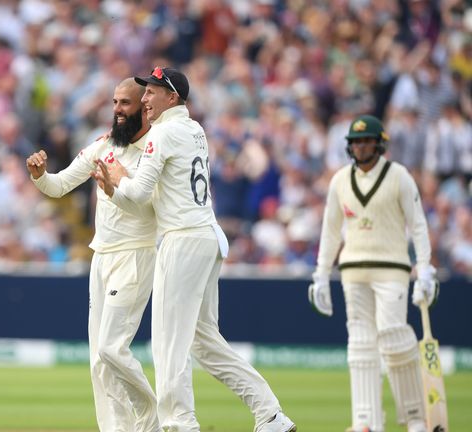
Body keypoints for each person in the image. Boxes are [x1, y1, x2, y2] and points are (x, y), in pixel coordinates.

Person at [93, 67, 295, 432]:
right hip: (207, 236)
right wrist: (120, 183)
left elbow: (138, 193)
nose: (145, 99)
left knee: (168, 341)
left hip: (182, 239)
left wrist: (118, 178)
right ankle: (270, 413)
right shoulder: (194, 129)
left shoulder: (162, 133)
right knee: (204, 341)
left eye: (152, 92)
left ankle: (179, 424)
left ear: (172, 97)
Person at [25, 78, 159, 432]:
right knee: (99, 359)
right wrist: (40, 176)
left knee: (111, 350)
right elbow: (60, 185)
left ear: (144, 106)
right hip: (101, 256)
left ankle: (153, 421)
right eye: (115, 102)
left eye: (125, 103)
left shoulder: (156, 149)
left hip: (135, 255)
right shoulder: (104, 145)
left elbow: (152, 208)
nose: (117, 110)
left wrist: (118, 186)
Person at [308, 114, 437, 432]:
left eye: (366, 141)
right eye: (356, 142)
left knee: (394, 337)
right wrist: (321, 273)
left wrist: (425, 269)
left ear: (380, 144)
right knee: (361, 345)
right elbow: (330, 231)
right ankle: (366, 421)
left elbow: (418, 225)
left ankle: (416, 418)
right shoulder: (340, 180)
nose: (361, 147)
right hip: (353, 271)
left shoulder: (399, 176)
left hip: (392, 269)